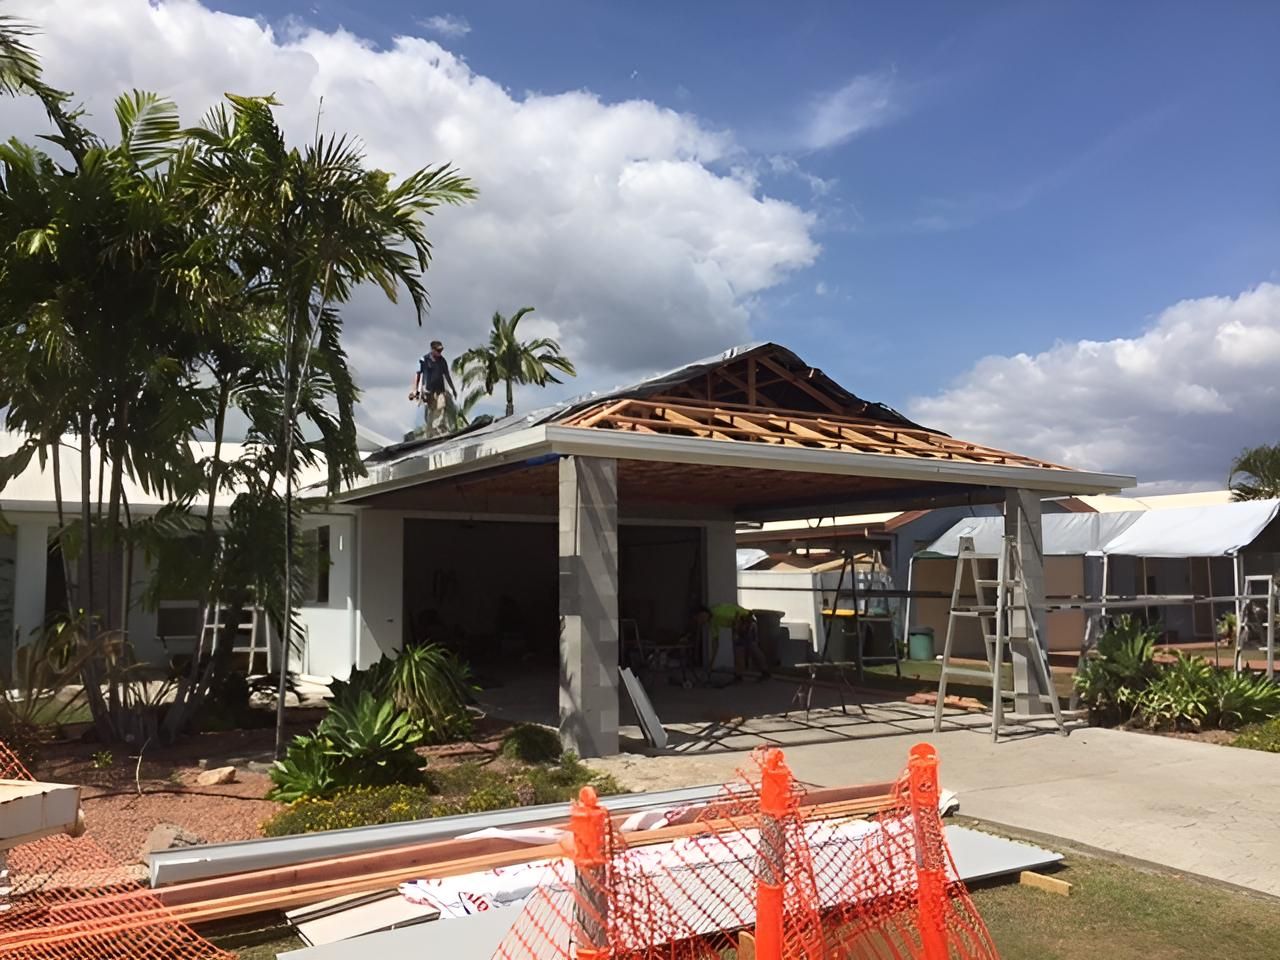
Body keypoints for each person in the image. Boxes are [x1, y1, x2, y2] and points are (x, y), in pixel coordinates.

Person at [692, 603, 771, 683]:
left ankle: (765, 672)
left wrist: (738, 629)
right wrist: (711, 663)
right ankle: (739, 675)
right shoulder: (712, 623)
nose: (701, 621)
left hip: (746, 621)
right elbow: (715, 643)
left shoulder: (718, 612)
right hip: (738, 626)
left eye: (700, 618)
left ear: (704, 613)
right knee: (738, 650)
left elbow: (738, 614)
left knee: (752, 648)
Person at [409, 340, 456, 438]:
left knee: (441, 407)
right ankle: (430, 433)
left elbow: (447, 375)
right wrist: (415, 390)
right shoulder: (424, 360)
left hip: (440, 390)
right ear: (432, 350)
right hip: (428, 391)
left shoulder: (442, 361)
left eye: (441, 351)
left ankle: (439, 430)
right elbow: (418, 374)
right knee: (432, 411)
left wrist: (453, 388)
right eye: (438, 351)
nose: (440, 353)